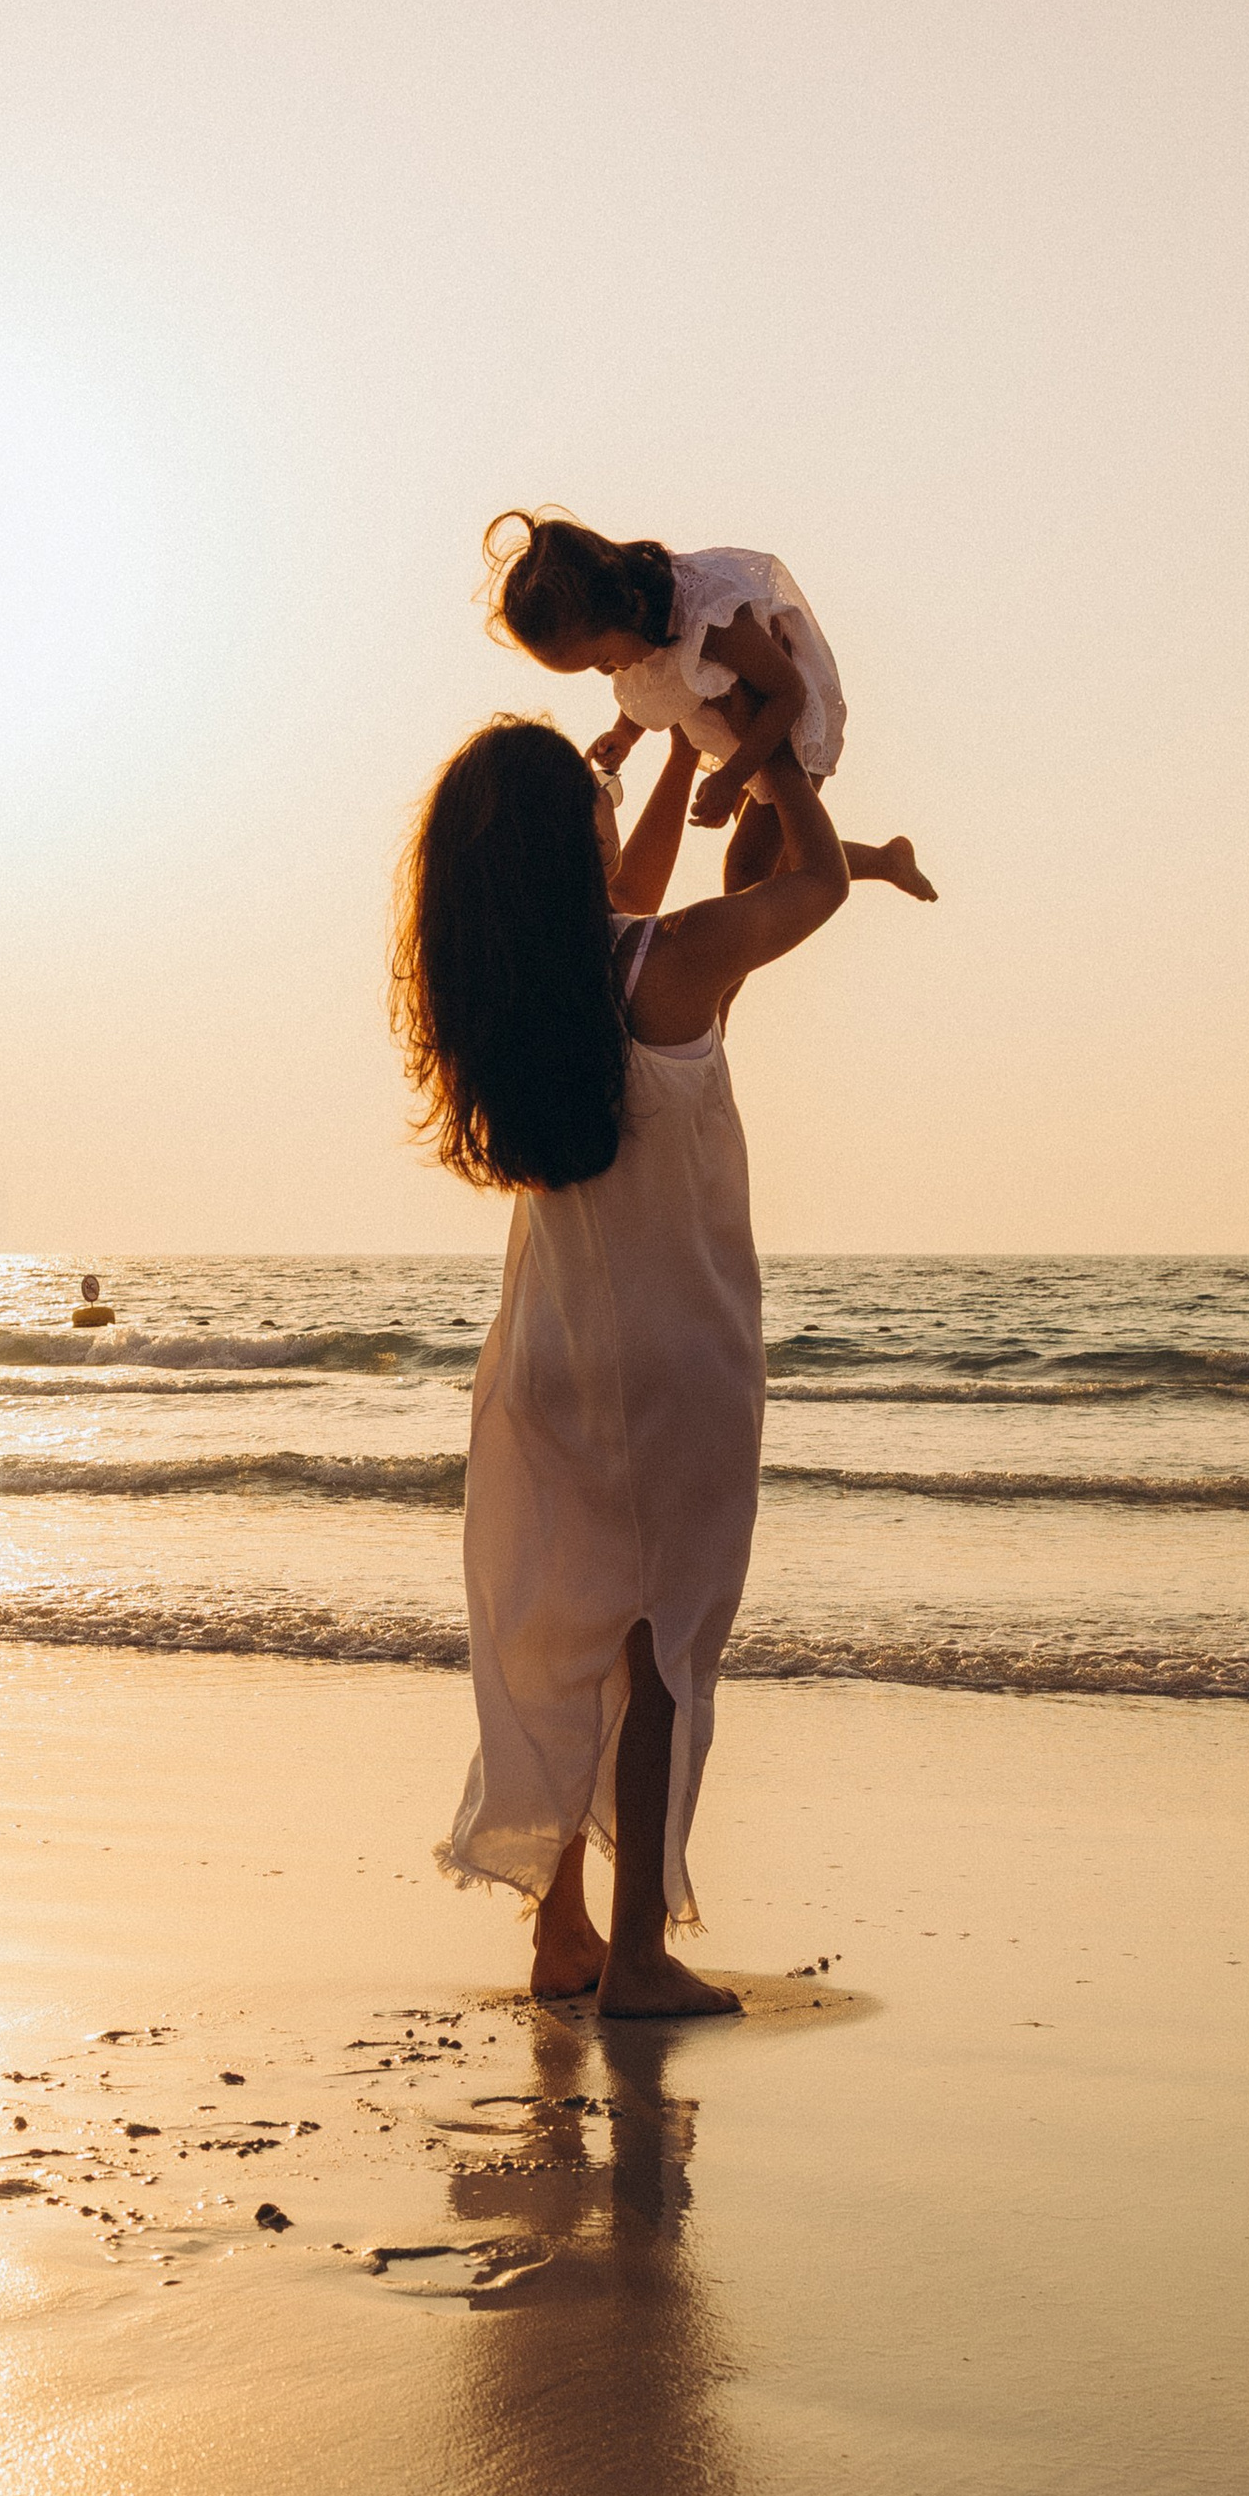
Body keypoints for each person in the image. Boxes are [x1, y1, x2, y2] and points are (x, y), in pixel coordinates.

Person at [393, 710, 849, 2016]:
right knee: (659, 1650)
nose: (612, 801)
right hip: (671, 1354)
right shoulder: (671, 963)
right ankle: (641, 1952)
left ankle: (563, 1935)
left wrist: (653, 744)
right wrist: (769, 760)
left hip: (546, 1352)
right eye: (595, 797)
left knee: (573, 1629)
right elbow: (806, 889)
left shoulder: (520, 994)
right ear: (572, 846)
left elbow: (626, 881)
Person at [484, 508, 936, 903]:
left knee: (745, 871)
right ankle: (885, 860)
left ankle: (719, 1002)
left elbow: (789, 693)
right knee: (779, 860)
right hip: (730, 721)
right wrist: (625, 733)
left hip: (785, 725)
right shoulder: (635, 627)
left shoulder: (711, 618)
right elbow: (654, 683)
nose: (608, 673)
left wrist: (731, 777)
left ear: (628, 606)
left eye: (603, 660)